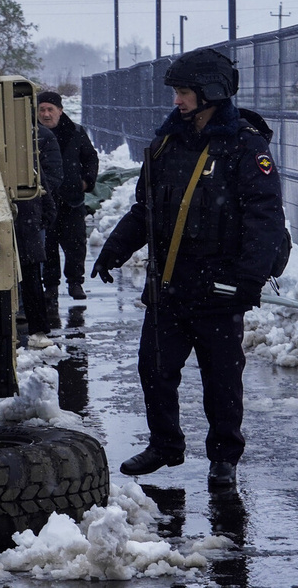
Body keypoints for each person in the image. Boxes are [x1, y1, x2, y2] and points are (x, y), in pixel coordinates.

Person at [91, 48, 287, 491]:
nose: (177, 101)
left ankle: (224, 458)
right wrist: (114, 250)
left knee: (222, 381)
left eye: (184, 92)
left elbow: (265, 219)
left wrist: (246, 280)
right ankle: (165, 445)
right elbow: (146, 209)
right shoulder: (166, 143)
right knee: (154, 369)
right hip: (169, 286)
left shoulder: (245, 145)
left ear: (211, 92)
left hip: (219, 288)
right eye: (176, 92)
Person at [37, 91, 99, 302]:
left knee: (75, 244)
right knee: (47, 245)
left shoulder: (76, 132)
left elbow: (90, 158)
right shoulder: (33, 134)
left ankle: (75, 282)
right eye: (42, 109)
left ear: (60, 111)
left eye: (50, 109)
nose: (46, 114)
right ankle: (50, 286)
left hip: (72, 200)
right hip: (45, 200)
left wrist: (86, 181)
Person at [16, 121, 63, 348]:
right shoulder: (24, 149)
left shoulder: (23, 148)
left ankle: (26, 323)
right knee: (32, 275)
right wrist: (42, 216)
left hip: (25, 218)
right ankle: (38, 329)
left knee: (28, 275)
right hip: (28, 217)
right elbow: (43, 183)